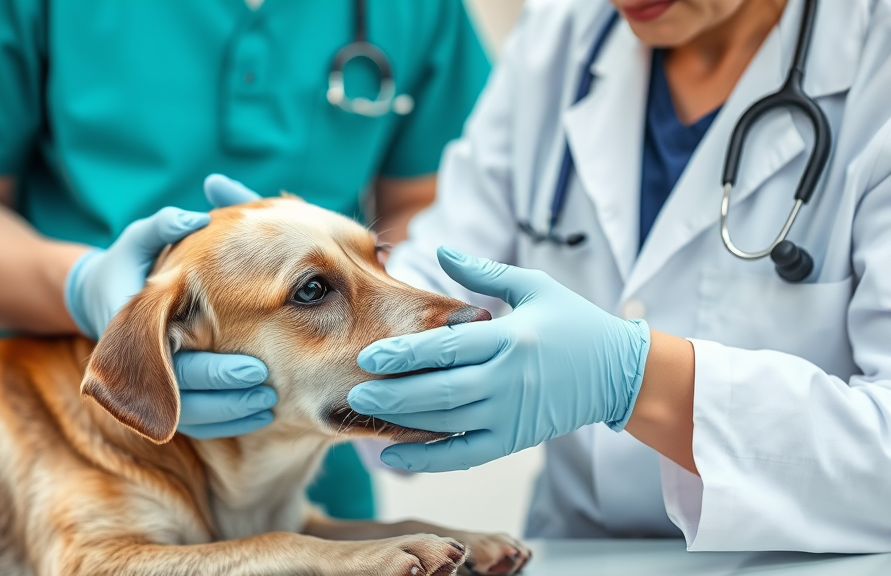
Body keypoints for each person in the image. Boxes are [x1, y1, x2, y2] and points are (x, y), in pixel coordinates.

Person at [210, 0, 891, 553]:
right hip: (573, 550)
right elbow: (446, 259)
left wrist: (634, 379)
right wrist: (300, 303)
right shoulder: (567, 35)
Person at [0, 0, 490, 520]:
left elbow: (429, 204)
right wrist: (82, 287)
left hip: (305, 464)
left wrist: (393, 338)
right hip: (66, 437)